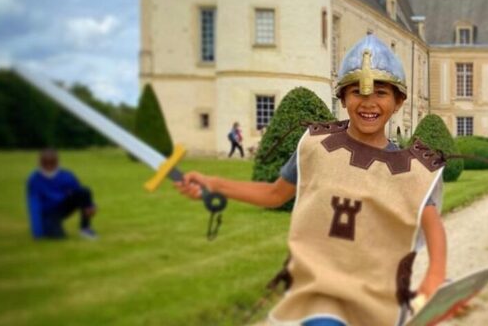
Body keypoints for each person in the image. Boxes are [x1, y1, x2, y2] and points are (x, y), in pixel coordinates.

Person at [177, 35, 447, 326]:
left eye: (380, 93)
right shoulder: (316, 147)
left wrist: (433, 280)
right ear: (343, 97)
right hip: (321, 293)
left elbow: (433, 228)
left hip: (376, 298)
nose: (368, 103)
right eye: (357, 92)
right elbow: (274, 193)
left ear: (398, 102)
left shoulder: (408, 169)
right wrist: (214, 184)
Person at [26, 149, 97, 240]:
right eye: (46, 164)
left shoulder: (66, 175)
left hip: (63, 206)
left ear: (57, 163)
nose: (49, 167)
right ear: (40, 164)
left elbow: (79, 193)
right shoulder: (34, 179)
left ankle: (85, 229)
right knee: (58, 237)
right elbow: (34, 204)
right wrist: (37, 232)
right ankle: (50, 226)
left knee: (85, 191)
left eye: (52, 164)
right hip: (49, 212)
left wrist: (91, 205)